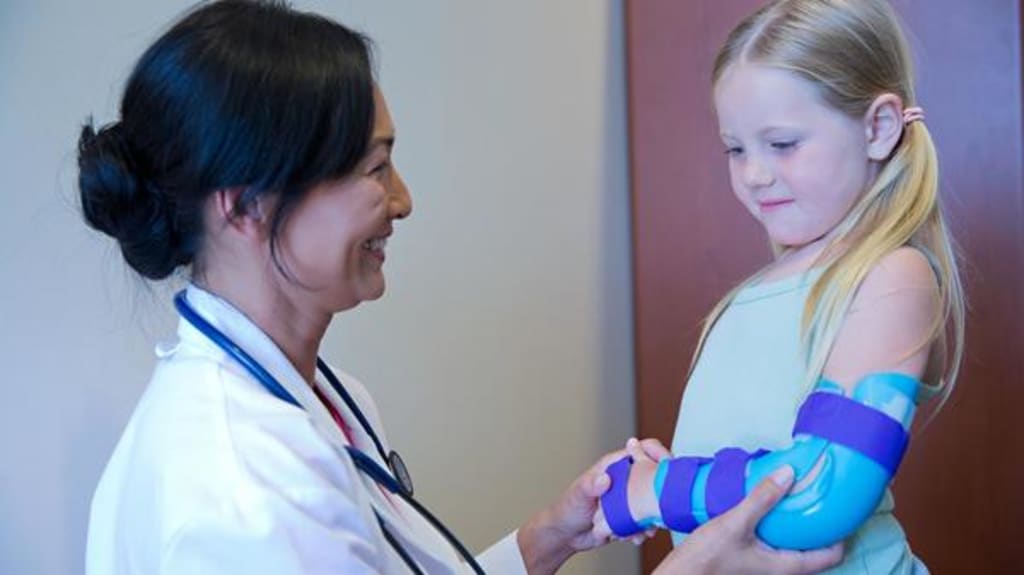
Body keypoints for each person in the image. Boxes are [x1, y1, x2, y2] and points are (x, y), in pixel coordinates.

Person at [78, 1, 843, 573]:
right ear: (246, 205)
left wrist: (545, 538)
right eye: (375, 169)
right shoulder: (239, 497)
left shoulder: (324, 397)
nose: (403, 200)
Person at [593, 0, 964, 573]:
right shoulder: (756, 293)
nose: (754, 173)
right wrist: (658, 477)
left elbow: (823, 491)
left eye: (783, 144)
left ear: (878, 128)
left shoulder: (891, 277)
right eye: (736, 148)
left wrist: (658, 490)